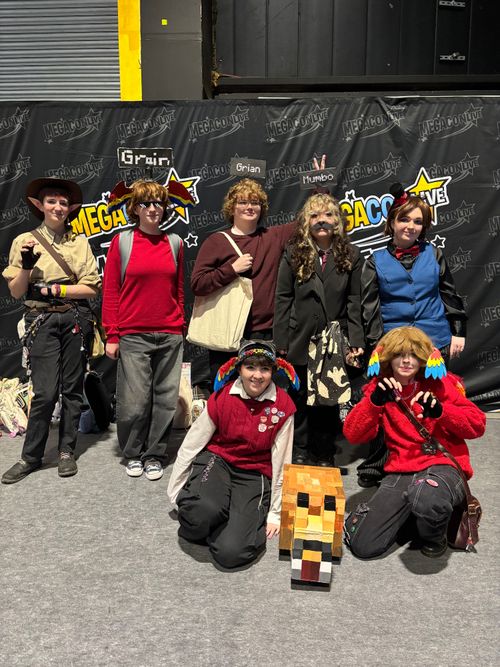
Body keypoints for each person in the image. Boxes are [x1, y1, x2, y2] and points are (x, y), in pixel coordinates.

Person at [358, 183, 467, 487]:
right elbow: (370, 308)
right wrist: (377, 346)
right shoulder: (374, 261)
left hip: (434, 341)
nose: (410, 226)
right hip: (394, 344)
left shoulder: (435, 254)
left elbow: (449, 293)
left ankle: (436, 459)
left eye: (418, 221)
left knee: (435, 400)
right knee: (388, 403)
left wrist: (458, 330)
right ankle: (378, 463)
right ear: (392, 222)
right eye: (404, 219)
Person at [343, 326, 485, 559]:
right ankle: (417, 513)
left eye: (414, 355)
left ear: (422, 359)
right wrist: (373, 403)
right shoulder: (380, 387)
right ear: (389, 357)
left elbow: (477, 425)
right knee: (364, 545)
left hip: (442, 465)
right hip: (403, 469)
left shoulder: (439, 383)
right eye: (400, 354)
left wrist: (442, 412)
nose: (407, 361)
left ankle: (434, 535)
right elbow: (353, 435)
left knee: (426, 496)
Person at [1, 177, 101, 484]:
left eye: (63, 202)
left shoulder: (79, 243)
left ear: (70, 208)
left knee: (72, 389)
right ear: (40, 205)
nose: (58, 207)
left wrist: (55, 290)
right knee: (44, 392)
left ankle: (66, 451)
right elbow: (17, 291)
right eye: (51, 201)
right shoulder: (24, 241)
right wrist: (27, 267)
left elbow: (91, 288)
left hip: (73, 318)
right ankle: (30, 456)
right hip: (40, 321)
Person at [167, 340, 298, 569]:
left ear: (273, 372)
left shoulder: (282, 406)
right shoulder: (223, 397)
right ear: (239, 368)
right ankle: (217, 511)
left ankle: (230, 517)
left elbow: (282, 462)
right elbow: (192, 443)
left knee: (231, 553)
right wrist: (175, 490)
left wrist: (275, 512)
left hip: (254, 473)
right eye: (250, 367)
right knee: (197, 515)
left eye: (265, 369)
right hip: (218, 461)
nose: (257, 375)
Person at [274, 192, 365, 466]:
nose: (321, 220)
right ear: (306, 222)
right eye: (314, 215)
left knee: (328, 398)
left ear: (337, 221)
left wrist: (355, 339)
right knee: (300, 396)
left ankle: (324, 451)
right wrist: (281, 340)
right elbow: (283, 297)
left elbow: (355, 300)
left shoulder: (351, 255)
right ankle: (300, 448)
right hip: (300, 335)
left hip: (333, 339)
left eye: (327, 215)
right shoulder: (293, 253)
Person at [102, 180, 184, 481]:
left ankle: (155, 454)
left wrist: (180, 325)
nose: (153, 208)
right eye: (146, 203)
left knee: (165, 399)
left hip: (170, 334)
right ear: (135, 208)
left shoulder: (175, 243)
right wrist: (112, 335)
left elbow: (179, 290)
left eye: (158, 203)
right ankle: (133, 452)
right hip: (133, 334)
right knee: (134, 401)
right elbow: (111, 291)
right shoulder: (122, 242)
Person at [190, 178, 296, 380]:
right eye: (242, 202)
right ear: (232, 207)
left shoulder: (273, 236)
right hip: (228, 334)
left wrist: (320, 187)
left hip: (267, 334)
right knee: (227, 393)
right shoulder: (217, 241)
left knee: (265, 394)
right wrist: (231, 269)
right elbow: (197, 284)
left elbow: (306, 222)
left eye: (255, 202)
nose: (249, 207)